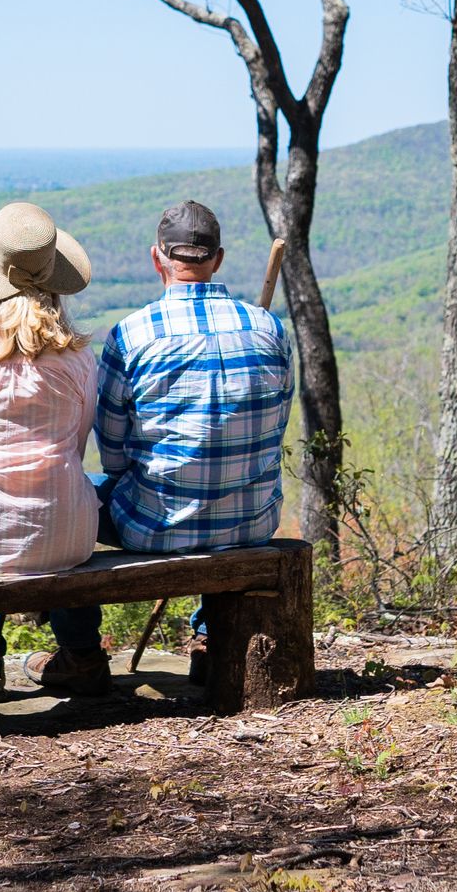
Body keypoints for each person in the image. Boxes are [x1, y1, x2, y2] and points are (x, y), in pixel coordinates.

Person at [25, 199, 293, 688]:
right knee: (228, 477)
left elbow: (114, 453)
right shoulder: (269, 328)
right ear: (218, 259)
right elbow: (275, 428)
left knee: (63, 498)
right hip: (252, 522)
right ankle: (210, 639)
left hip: (154, 527)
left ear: (157, 258)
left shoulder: (131, 336)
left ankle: (80, 654)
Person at [0, 201, 106, 707]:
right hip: (65, 531)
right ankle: (82, 653)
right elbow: (77, 446)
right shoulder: (78, 356)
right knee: (67, 505)